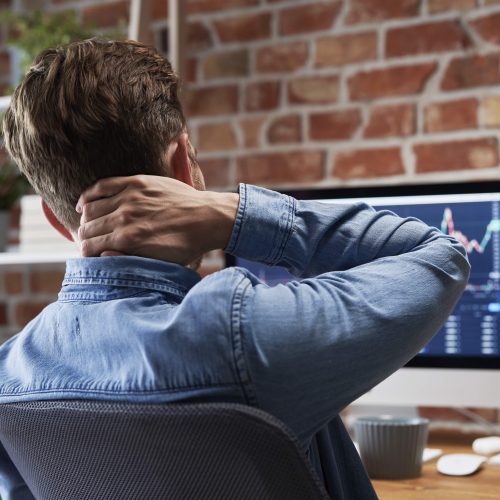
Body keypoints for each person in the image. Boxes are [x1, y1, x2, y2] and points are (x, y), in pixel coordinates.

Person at [0, 38, 470, 500]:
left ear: (53, 218)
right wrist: (230, 213)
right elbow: (440, 255)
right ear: (183, 165)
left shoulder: (9, 375)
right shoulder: (238, 331)